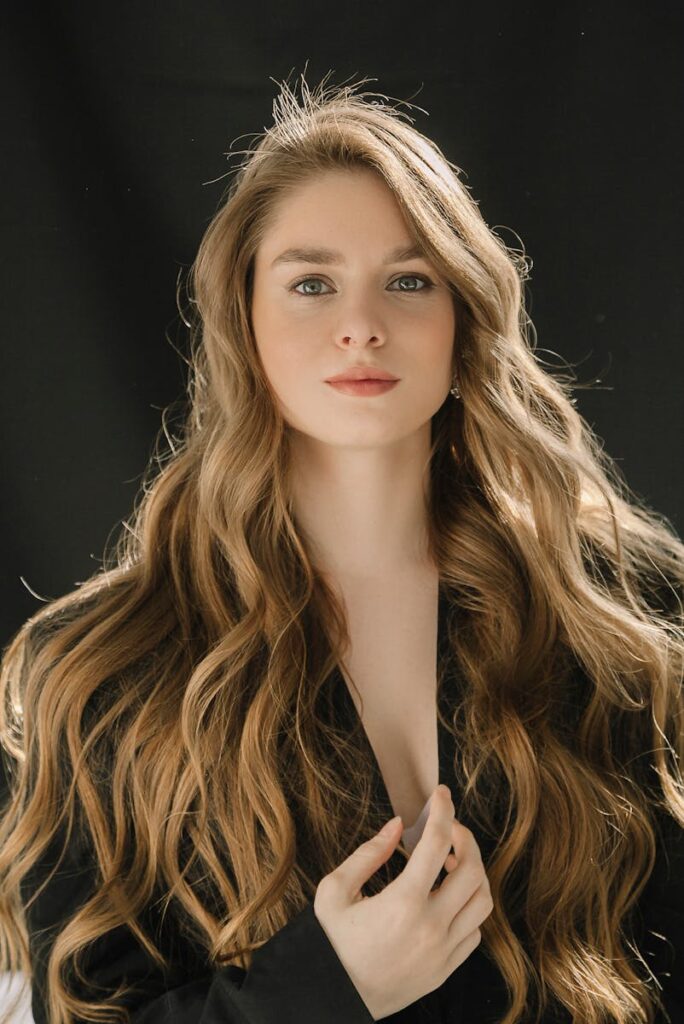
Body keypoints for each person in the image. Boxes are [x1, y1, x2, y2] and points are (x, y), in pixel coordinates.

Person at [0, 70, 682, 1024]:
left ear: (463, 322)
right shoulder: (105, 669)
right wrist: (322, 990)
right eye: (311, 284)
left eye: (409, 281)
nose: (361, 324)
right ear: (245, 321)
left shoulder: (626, 619)